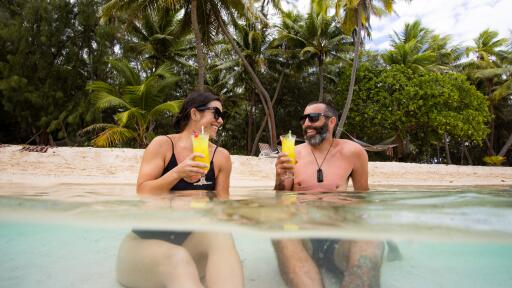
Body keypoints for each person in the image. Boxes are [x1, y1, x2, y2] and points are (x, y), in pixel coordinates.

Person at [116, 91, 244, 288]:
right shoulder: (163, 144)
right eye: (216, 113)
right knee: (178, 258)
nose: (221, 121)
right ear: (194, 114)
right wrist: (177, 173)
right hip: (144, 247)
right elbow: (143, 191)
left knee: (221, 236)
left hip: (189, 243)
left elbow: (223, 205)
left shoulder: (221, 157)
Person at [273, 101, 383, 288]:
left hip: (339, 233)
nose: (306, 123)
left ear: (331, 122)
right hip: (302, 234)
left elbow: (362, 199)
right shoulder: (292, 153)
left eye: (313, 118)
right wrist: (280, 176)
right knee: (281, 234)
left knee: (371, 240)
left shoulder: (353, 152)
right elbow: (281, 199)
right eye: (303, 119)